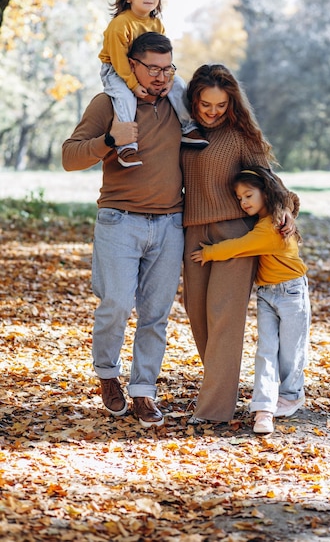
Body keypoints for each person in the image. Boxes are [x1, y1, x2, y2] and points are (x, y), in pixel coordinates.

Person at [62, 32, 184, 428]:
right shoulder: (109, 103)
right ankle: (108, 375)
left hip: (169, 224)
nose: (161, 77)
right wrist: (110, 140)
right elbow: (69, 156)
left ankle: (144, 391)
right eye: (152, 68)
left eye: (168, 69)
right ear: (131, 65)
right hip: (120, 220)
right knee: (115, 303)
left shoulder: (178, 105)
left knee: (156, 315)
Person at [181, 63, 300, 424]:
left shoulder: (240, 136)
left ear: (231, 102)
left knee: (223, 319)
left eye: (220, 105)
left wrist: (287, 208)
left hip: (237, 234)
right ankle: (220, 388)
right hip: (193, 233)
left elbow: (270, 182)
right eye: (206, 105)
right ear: (194, 101)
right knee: (197, 315)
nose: (213, 112)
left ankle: (214, 409)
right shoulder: (184, 130)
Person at [191, 166, 310, 434]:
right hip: (267, 294)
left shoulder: (270, 228)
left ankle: (291, 395)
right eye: (239, 198)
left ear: (265, 193)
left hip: (292, 294)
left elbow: (237, 246)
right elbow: (287, 198)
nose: (243, 202)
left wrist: (208, 252)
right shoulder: (273, 216)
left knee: (291, 351)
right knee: (266, 351)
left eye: (248, 195)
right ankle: (264, 407)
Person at [98, 0, 207, 167]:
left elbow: (164, 55)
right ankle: (127, 147)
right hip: (117, 69)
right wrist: (132, 84)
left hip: (151, 68)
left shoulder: (157, 24)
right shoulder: (120, 25)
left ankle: (188, 127)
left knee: (179, 85)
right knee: (124, 98)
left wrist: (169, 78)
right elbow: (119, 59)